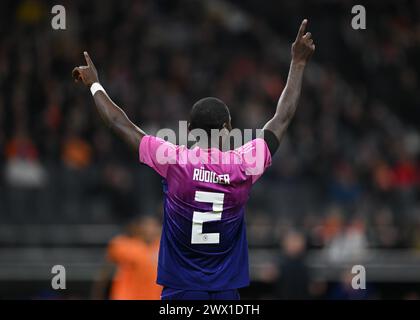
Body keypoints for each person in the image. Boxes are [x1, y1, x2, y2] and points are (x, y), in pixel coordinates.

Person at [73, 19, 315, 300]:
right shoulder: (244, 164)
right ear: (227, 129)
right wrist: (298, 63)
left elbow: (120, 124)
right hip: (225, 292)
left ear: (189, 131)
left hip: (181, 290)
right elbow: (281, 119)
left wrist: (95, 86)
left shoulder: (174, 161)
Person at [92, 216, 162, 300]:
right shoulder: (123, 245)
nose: (150, 229)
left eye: (154, 226)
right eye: (146, 225)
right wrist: (97, 295)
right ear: (138, 228)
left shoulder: (164, 248)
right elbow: (104, 273)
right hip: (126, 296)